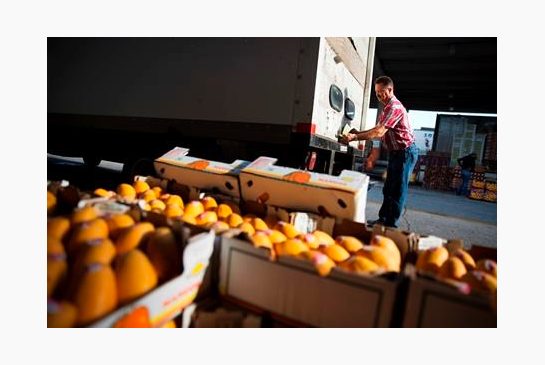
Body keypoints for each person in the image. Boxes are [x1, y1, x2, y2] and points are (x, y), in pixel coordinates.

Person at [341, 76, 417, 228]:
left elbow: (379, 132)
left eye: (382, 92)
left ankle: (390, 224)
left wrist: (355, 136)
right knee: (388, 187)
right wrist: (359, 132)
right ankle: (382, 219)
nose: (379, 96)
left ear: (390, 90)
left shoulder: (394, 107)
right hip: (396, 153)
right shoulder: (387, 108)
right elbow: (376, 129)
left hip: (405, 152)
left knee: (398, 189)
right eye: (376, 93)